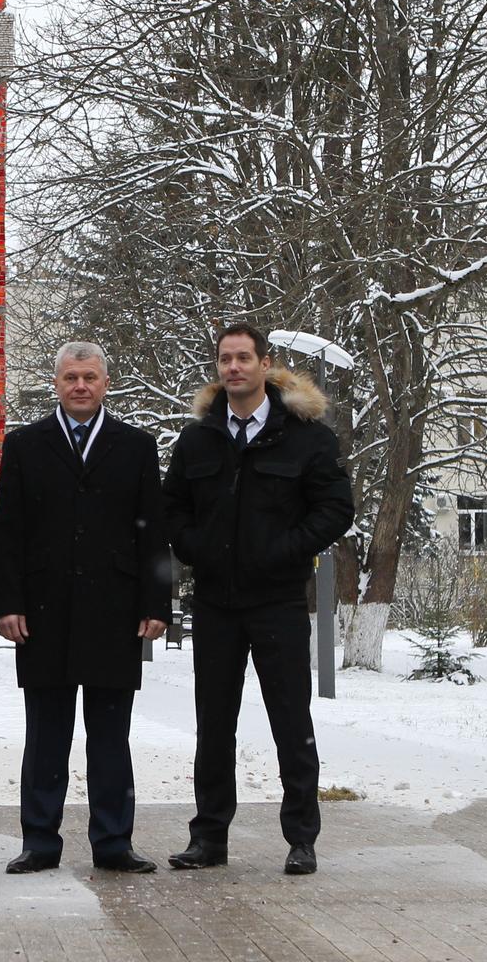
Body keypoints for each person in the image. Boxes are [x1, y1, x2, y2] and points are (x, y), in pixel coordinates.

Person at [163, 323, 354, 876]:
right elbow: (173, 507)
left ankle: (301, 838)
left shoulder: (305, 435)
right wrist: (196, 547)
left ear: (265, 364)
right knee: (213, 724)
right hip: (217, 603)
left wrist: (285, 551)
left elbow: (335, 509)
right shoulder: (199, 437)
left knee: (291, 722)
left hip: (278, 602)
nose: (234, 368)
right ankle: (209, 837)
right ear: (218, 368)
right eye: (225, 359)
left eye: (244, 358)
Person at [0, 341, 171, 874]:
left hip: (114, 614)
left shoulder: (136, 446)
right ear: (56, 383)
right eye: (71, 377)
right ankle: (40, 841)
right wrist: (8, 603)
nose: (80, 386)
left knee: (111, 737)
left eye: (90, 376)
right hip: (41, 614)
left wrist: (156, 603)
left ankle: (114, 842)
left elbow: (152, 533)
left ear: (105, 382)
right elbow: (10, 529)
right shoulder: (24, 445)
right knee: (46, 735)